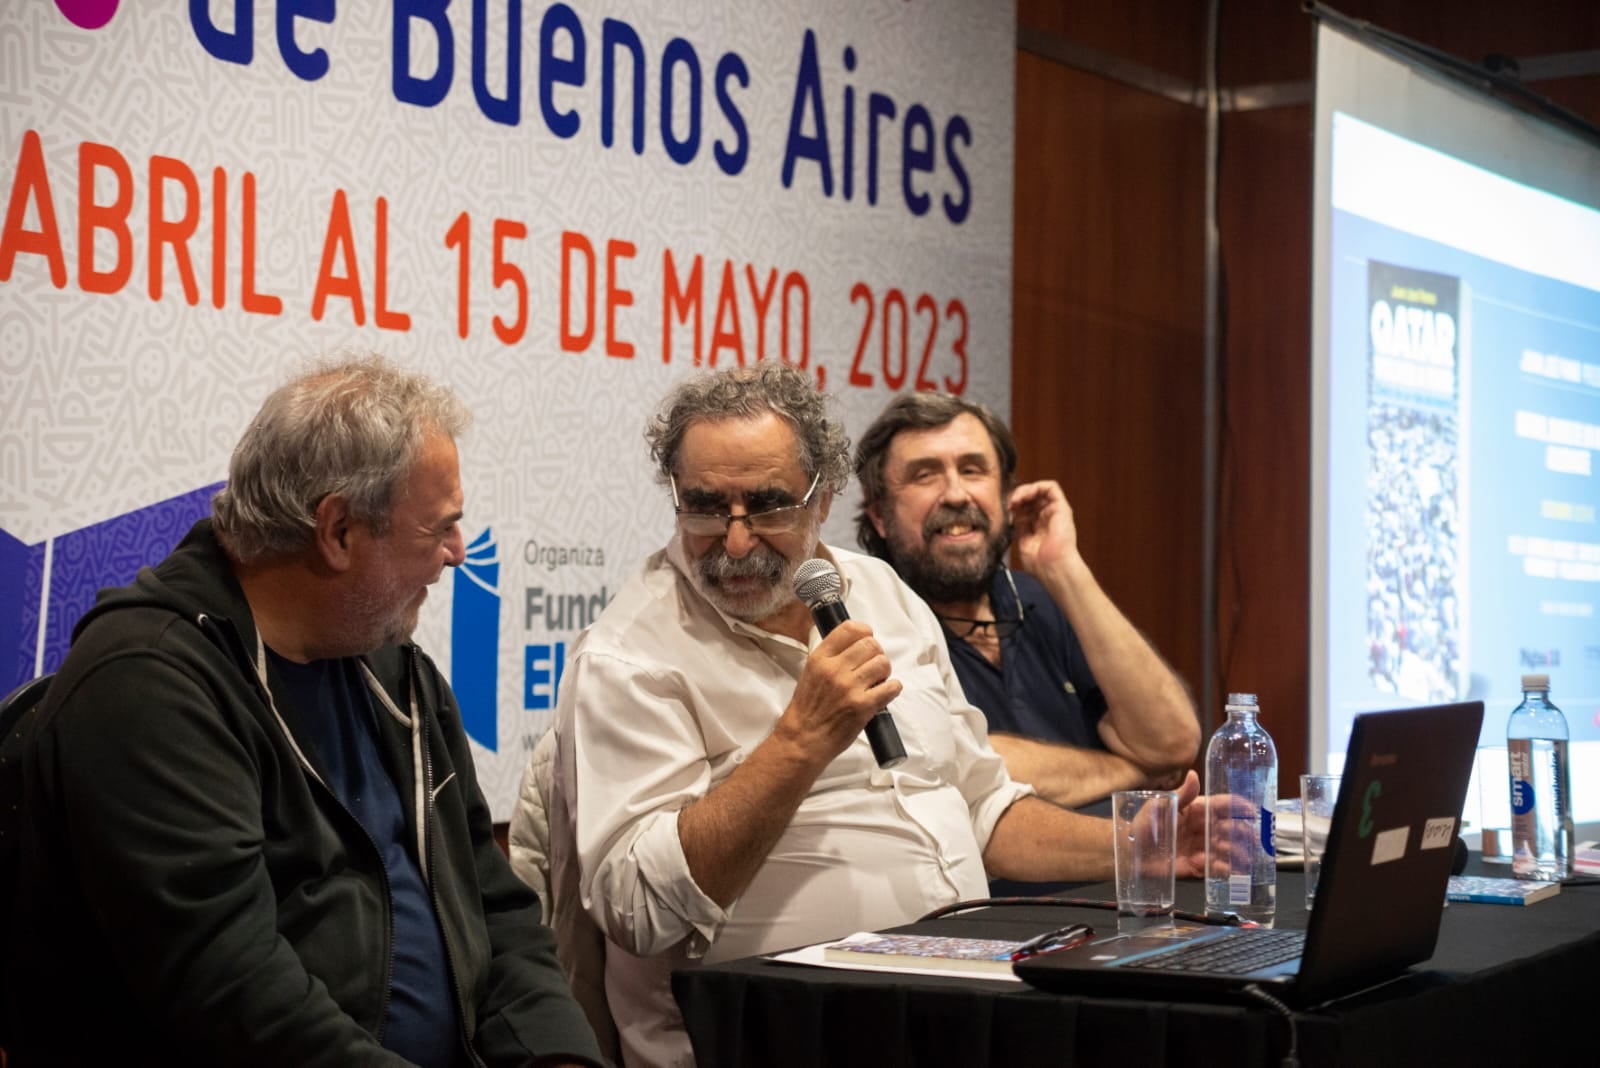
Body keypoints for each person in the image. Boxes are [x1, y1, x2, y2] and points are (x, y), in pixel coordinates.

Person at [545, 362, 1217, 1067]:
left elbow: (983, 807)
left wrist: (1135, 851)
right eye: (706, 507)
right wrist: (800, 742)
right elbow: (638, 909)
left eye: (768, 506)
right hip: (770, 1034)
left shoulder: (879, 590)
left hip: (956, 1007)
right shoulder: (629, 657)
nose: (736, 542)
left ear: (823, 496)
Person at [5, 355, 604, 1067]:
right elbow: (233, 995)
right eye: (438, 527)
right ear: (339, 531)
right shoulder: (146, 686)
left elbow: (493, 906)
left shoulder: (398, 674)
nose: (456, 553)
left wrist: (559, 1057)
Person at [855, 391, 1201, 808]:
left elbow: (1173, 740)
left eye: (973, 469)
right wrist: (1135, 771)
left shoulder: (1039, 598)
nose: (956, 494)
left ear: (1006, 495)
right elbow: (956, 762)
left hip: (1123, 870)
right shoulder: (868, 622)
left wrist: (1065, 570)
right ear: (879, 516)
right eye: (925, 475)